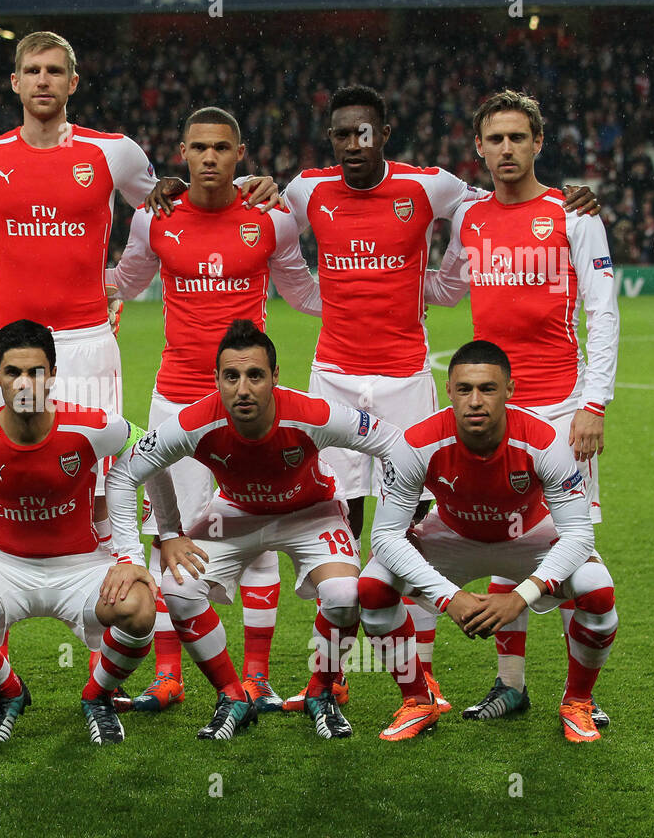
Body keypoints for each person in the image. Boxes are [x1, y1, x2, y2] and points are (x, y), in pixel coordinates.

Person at [0, 35, 277, 714]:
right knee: (0, 485)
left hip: (88, 342)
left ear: (73, 80)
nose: (43, 81)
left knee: (97, 495)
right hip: (4, 345)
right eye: (32, 71)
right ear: (15, 82)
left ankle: (106, 645)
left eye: (55, 71)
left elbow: (170, 196)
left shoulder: (113, 152)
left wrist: (244, 186)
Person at [146, 84, 599, 713]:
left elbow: (500, 203)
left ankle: (422, 679)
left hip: (406, 382)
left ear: (385, 132)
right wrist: (199, 181)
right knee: (340, 521)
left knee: (415, 526)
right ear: (330, 140)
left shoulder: (430, 187)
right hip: (333, 376)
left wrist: (569, 197)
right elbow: (253, 207)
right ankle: (329, 675)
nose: (354, 143)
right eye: (342, 134)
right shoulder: (306, 190)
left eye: (366, 132)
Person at [108, 320, 436, 741]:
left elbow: (395, 444)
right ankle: (232, 696)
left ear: (275, 378)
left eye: (255, 375)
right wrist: (167, 534)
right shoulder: (194, 421)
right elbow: (128, 472)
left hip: (311, 511)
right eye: (231, 376)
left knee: (342, 596)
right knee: (177, 590)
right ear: (217, 380)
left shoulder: (313, 414)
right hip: (236, 512)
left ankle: (322, 693)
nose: (242, 389)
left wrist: (392, 528)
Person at [108, 106, 321, 715]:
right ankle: (168, 677)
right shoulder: (156, 217)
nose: (209, 158)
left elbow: (302, 289)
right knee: (167, 534)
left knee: (252, 535)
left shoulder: (271, 218)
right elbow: (126, 277)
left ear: (240, 154)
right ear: (181, 153)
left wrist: (379, 297)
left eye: (221, 148)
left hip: (248, 403)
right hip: (177, 396)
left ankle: (255, 678)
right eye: (198, 147)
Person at [439, 89, 618, 724]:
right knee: (498, 534)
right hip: (493, 408)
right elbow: (447, 285)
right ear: (480, 148)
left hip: (563, 405)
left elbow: (601, 312)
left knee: (577, 551)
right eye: (496, 139)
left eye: (519, 138)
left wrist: (592, 404)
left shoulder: (572, 214)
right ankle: (510, 685)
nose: (507, 149)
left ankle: (579, 698)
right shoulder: (470, 217)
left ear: (538, 144)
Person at [0, 320, 156, 745]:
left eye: (35, 372)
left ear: (52, 374)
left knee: (141, 608)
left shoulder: (92, 425)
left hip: (81, 566)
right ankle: (9, 692)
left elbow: (151, 452)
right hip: (1, 564)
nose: (24, 383)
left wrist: (153, 541)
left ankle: (98, 696)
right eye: (12, 372)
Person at [363, 340, 618, 743]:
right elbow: (385, 537)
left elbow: (579, 534)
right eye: (464, 389)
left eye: (488, 388)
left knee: (597, 590)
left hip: (529, 537)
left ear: (510, 390)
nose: (475, 401)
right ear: (449, 391)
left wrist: (522, 596)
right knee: (373, 586)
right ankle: (418, 700)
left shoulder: (546, 440)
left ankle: (578, 702)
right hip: (452, 536)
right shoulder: (414, 444)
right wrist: (450, 598)